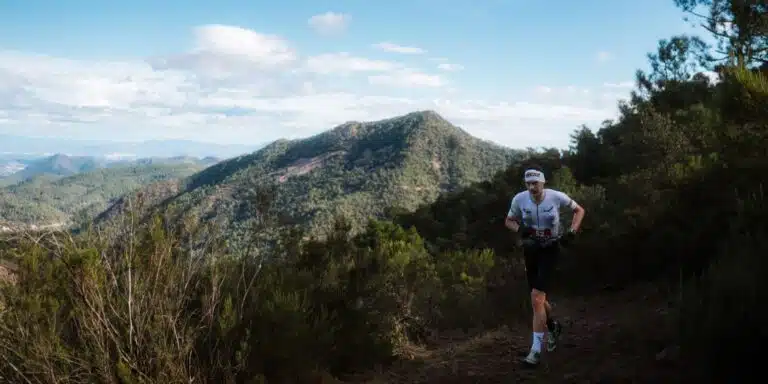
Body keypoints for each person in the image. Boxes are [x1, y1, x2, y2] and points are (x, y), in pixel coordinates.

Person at [504, 166, 585, 366]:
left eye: (536, 184)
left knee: (536, 297)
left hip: (551, 248)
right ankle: (553, 326)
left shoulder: (556, 197)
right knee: (538, 298)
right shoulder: (519, 199)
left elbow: (579, 210)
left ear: (543, 183)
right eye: (529, 184)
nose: (532, 187)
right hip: (531, 250)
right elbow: (508, 220)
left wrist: (572, 231)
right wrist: (520, 229)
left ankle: (535, 351)